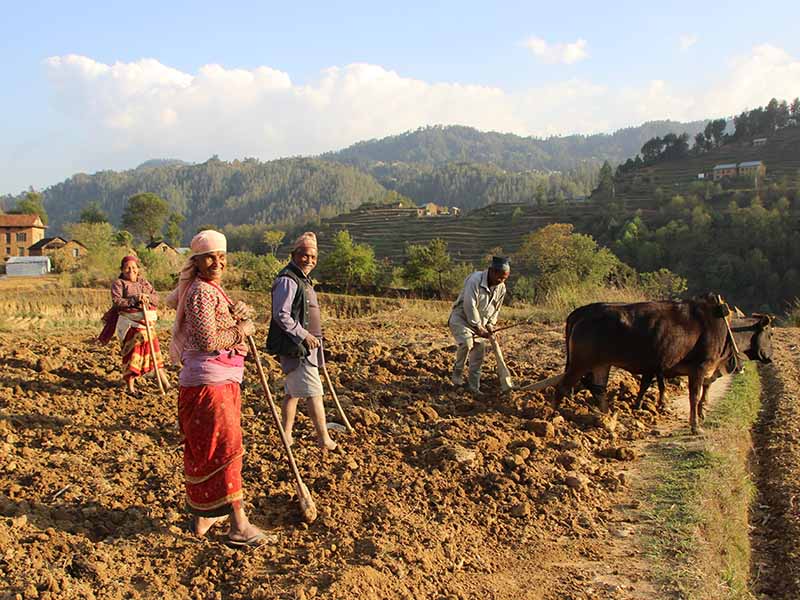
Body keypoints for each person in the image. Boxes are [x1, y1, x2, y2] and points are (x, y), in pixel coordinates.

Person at [167, 230, 267, 546]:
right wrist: (241, 331)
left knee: (209, 450)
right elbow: (207, 341)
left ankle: (205, 515)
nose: (217, 263)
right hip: (210, 387)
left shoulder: (213, 291)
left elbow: (216, 325)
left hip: (218, 383)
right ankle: (238, 526)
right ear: (195, 261)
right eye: (210, 257)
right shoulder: (200, 292)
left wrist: (237, 314)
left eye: (221, 257)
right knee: (225, 450)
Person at [266, 231, 338, 454]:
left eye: (313, 257)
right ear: (294, 255)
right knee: (314, 392)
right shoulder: (288, 279)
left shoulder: (302, 279)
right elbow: (281, 314)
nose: (309, 261)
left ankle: (286, 435)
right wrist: (304, 335)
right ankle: (323, 439)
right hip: (299, 347)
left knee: (294, 392)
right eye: (305, 255)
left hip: (307, 347)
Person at [98, 255, 170, 395]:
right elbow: (117, 301)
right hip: (130, 324)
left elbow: (156, 298)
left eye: (133, 267)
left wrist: (146, 297)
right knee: (132, 355)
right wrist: (135, 299)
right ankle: (130, 388)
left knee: (154, 353)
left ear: (138, 269)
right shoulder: (119, 284)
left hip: (146, 323)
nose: (131, 270)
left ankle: (165, 383)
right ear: (122, 270)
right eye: (127, 268)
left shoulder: (143, 283)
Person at [448, 256, 511, 394]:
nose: (502, 281)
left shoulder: (501, 288)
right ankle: (457, 375)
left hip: (481, 324)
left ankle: (473, 387)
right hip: (462, 318)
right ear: (491, 271)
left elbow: (496, 309)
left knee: (478, 356)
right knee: (466, 343)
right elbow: (469, 305)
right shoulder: (475, 280)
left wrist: (490, 326)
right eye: (500, 277)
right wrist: (478, 327)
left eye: (505, 278)